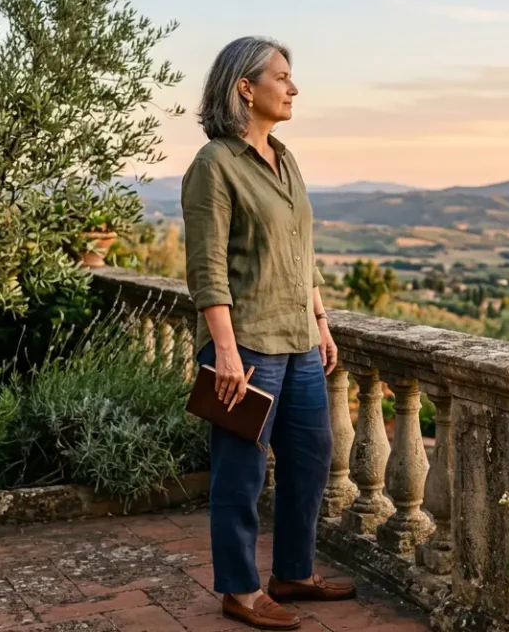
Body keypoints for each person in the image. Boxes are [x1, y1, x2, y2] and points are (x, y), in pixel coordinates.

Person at [182, 36, 353, 630]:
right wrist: (224, 351)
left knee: (312, 458)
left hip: (301, 342)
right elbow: (207, 269)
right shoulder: (214, 165)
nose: (294, 87)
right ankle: (238, 588)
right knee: (241, 473)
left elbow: (300, 252)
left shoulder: (286, 157)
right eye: (282, 76)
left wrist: (322, 319)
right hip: (249, 345)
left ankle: (293, 573)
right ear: (245, 88)